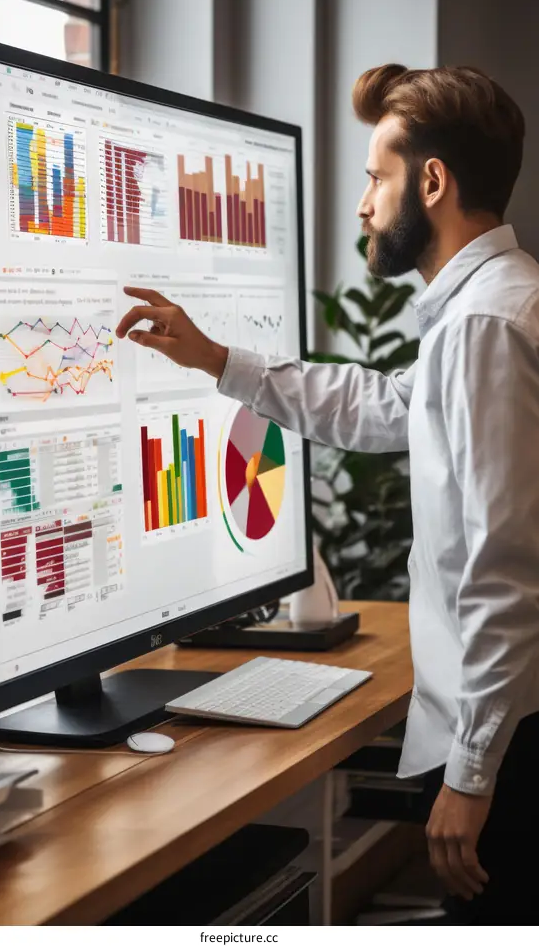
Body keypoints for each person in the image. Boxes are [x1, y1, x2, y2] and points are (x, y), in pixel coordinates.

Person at [117, 63, 539, 925]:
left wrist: (471, 772)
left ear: (432, 180)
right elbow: (385, 403)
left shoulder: (490, 324)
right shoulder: (486, 311)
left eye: (377, 176)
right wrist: (215, 358)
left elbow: (508, 569)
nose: (364, 203)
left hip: (512, 747)